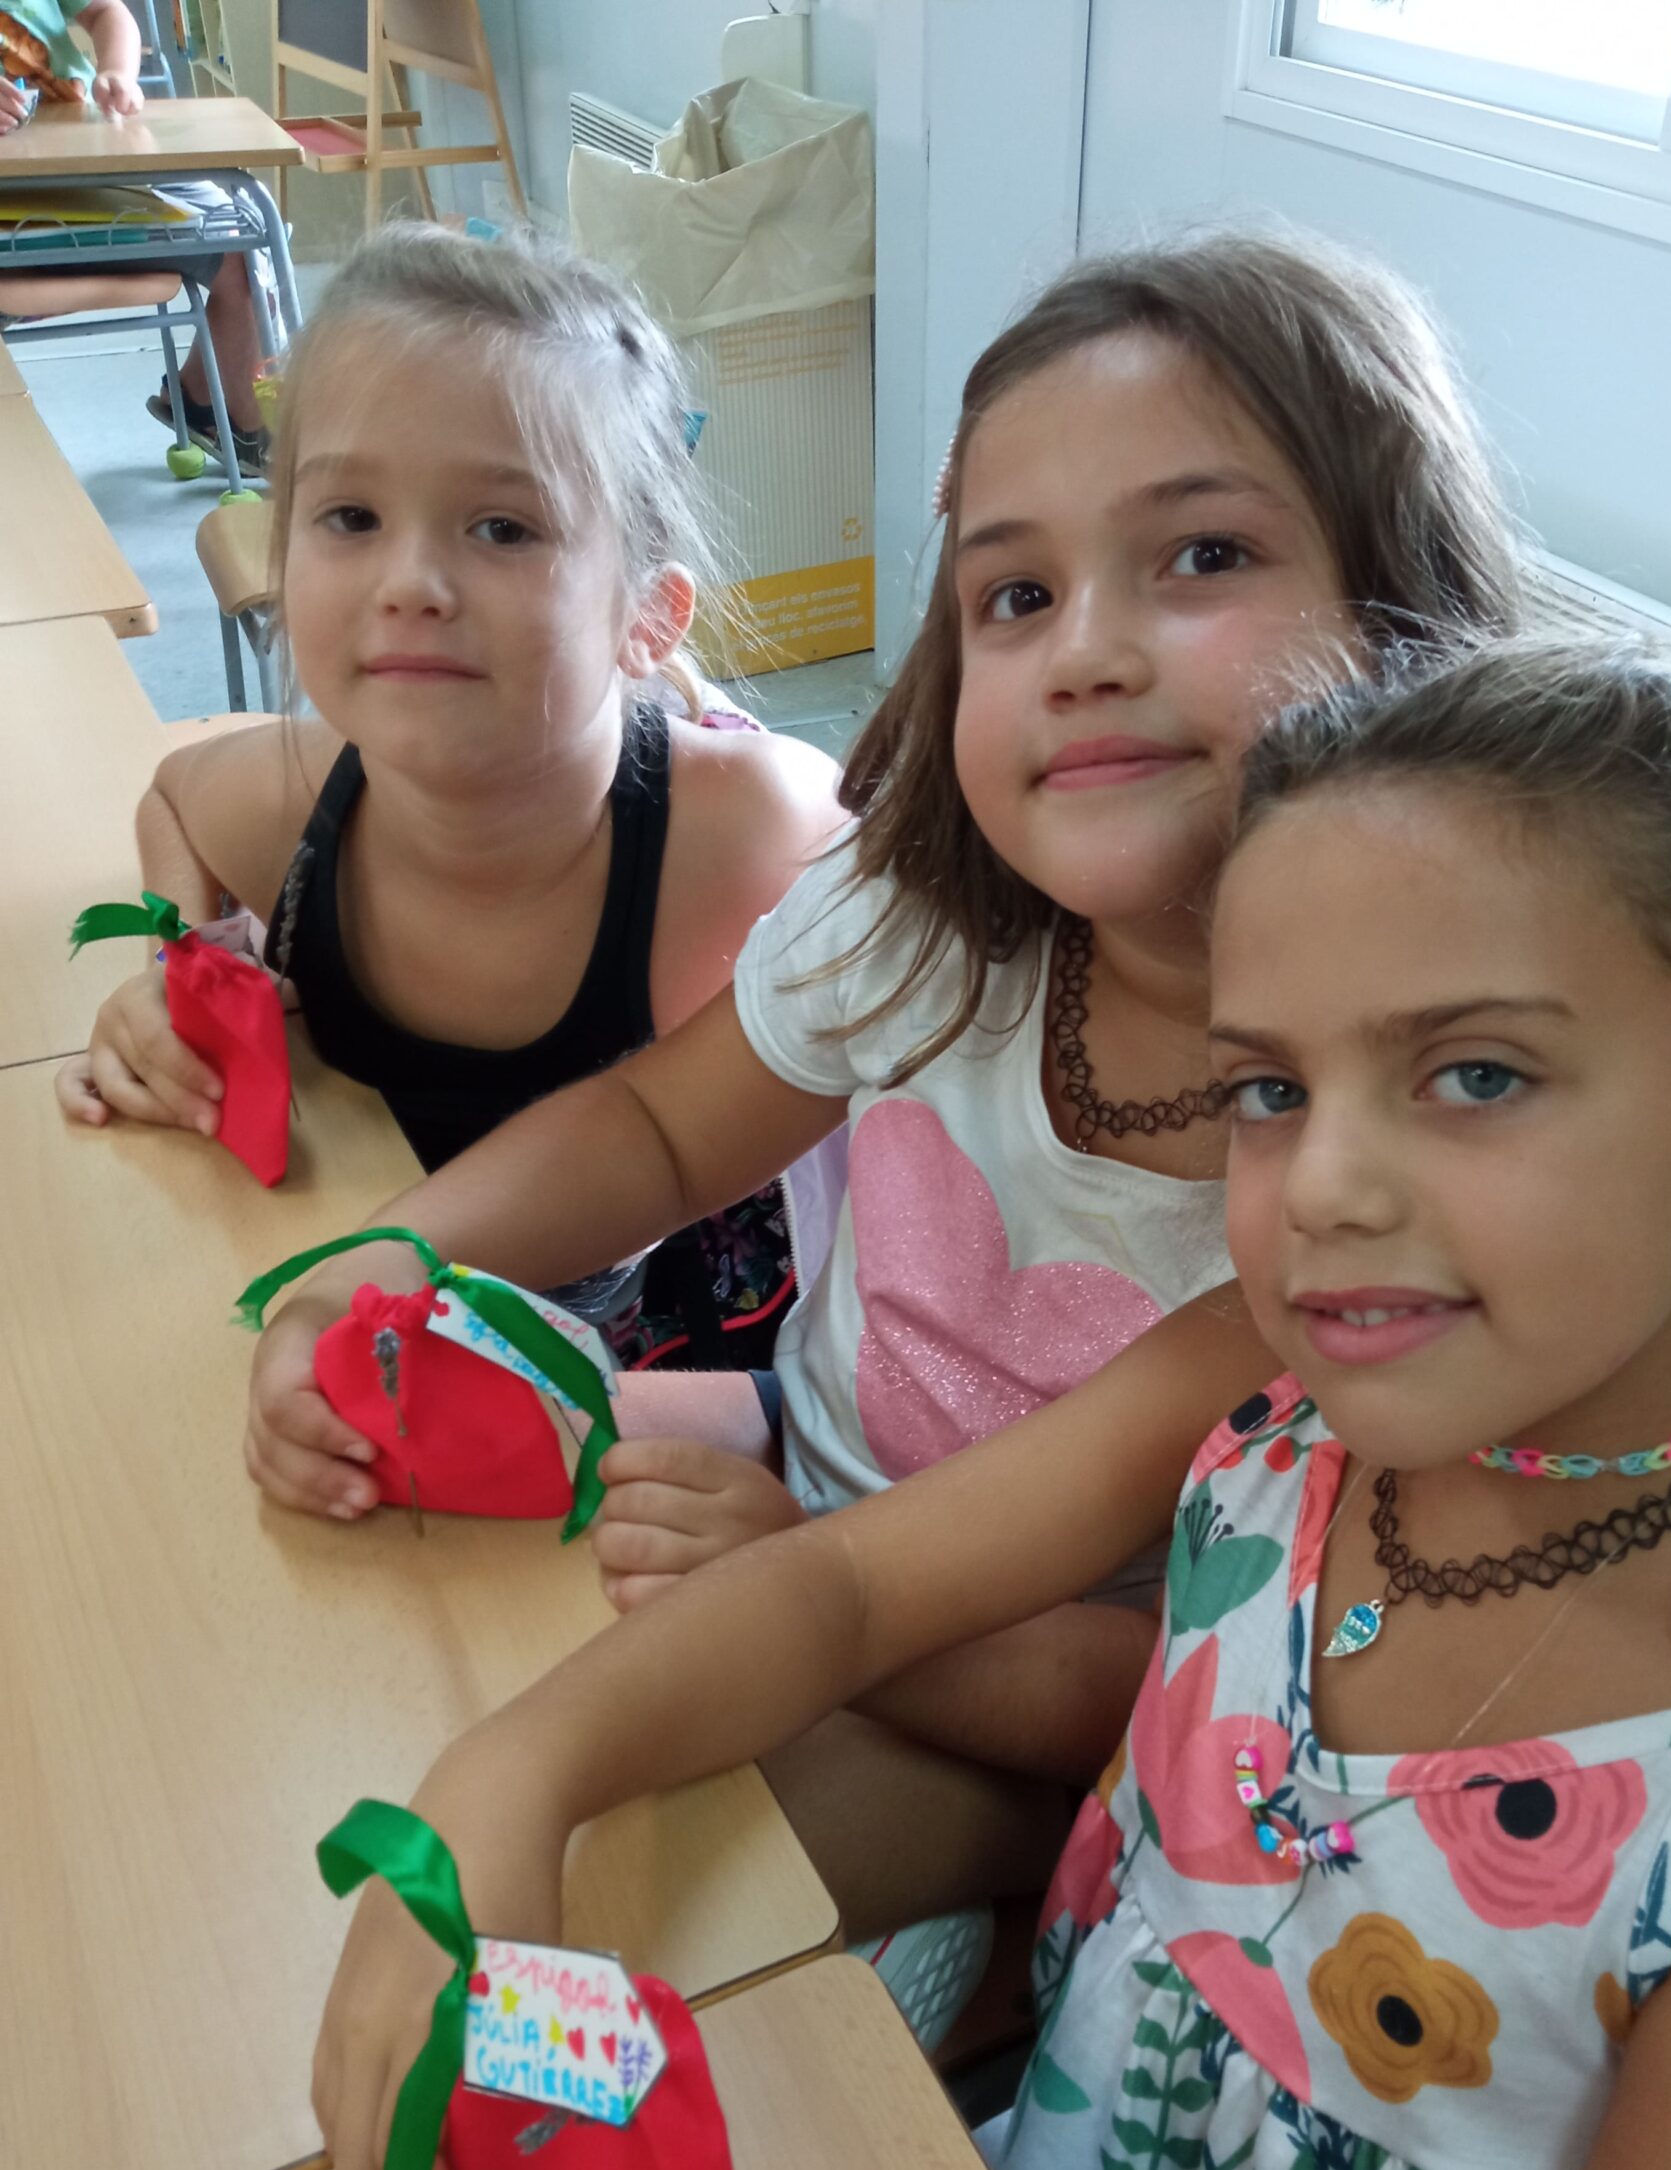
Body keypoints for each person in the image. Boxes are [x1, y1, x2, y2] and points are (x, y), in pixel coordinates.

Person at [313, 611, 1671, 2170]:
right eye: (1271, 1089)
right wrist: (506, 1785)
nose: (1325, 1188)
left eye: (1476, 1074)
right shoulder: (1266, 1381)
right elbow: (842, 1595)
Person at [240, 225, 1527, 1938]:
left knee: (644, 1902)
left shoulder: (1385, 1174)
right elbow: (652, 1128)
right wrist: (376, 1264)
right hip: (786, 1507)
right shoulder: (925, 926)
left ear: (1409, 621)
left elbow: (1211, 1692)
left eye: (1203, 555)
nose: (1085, 651)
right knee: (362, 1636)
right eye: (1017, 595)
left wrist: (793, 1579)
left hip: (1079, 1716)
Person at [57, 221, 843, 1380]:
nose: (411, 583)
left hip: (677, 1368)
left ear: (648, 615)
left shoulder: (747, 836)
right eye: (350, 518)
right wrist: (176, 964)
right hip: (353, 1303)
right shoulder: (296, 802)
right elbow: (173, 797)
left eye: (502, 528)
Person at [0, 0, 272, 473]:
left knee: (245, 239)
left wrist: (117, 73)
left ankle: (214, 407)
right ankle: (229, 416)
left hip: (97, 162)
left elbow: (107, 13)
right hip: (19, 205)